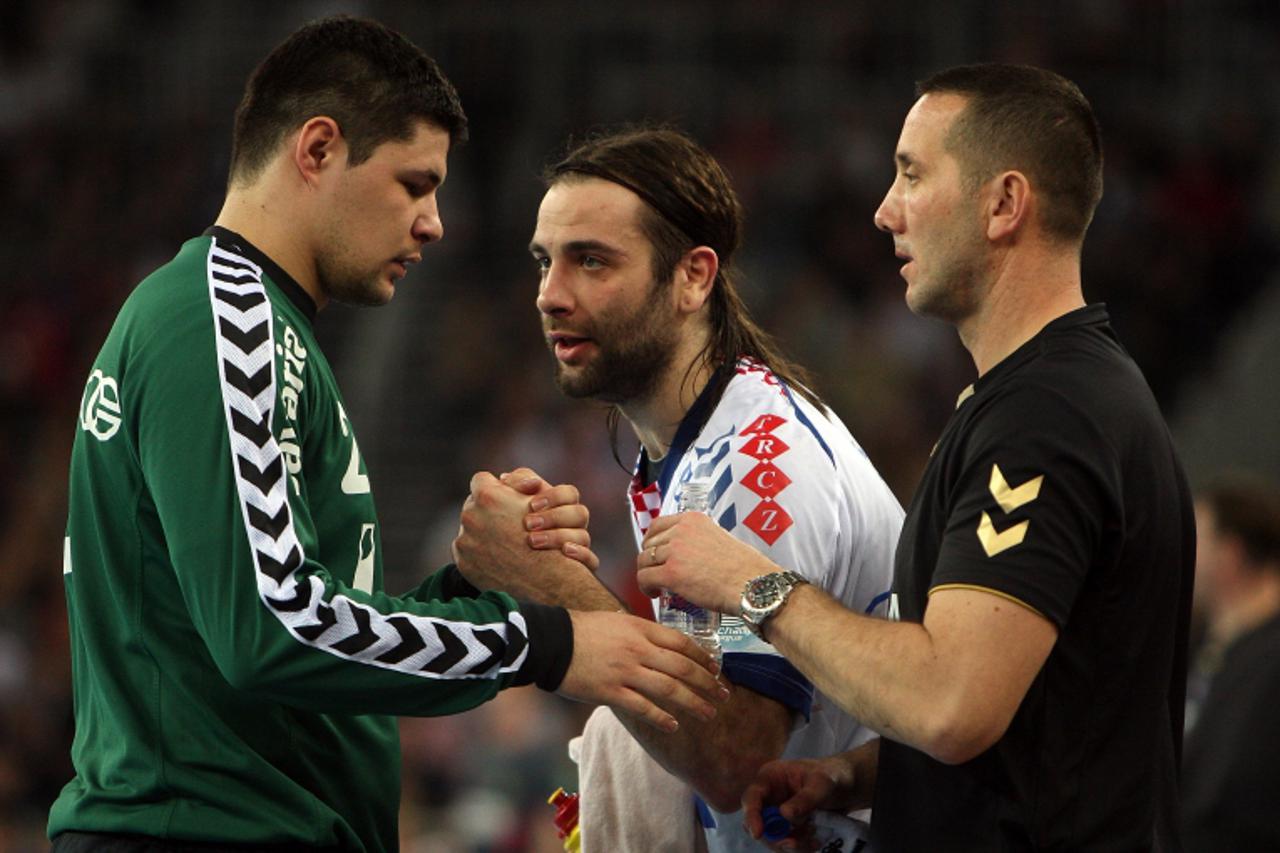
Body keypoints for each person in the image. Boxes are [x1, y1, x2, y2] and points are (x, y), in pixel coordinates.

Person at [49, 17, 725, 853]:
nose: (434, 222)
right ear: (319, 149)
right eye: (414, 183)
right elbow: (274, 625)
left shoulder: (248, 327)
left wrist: (479, 587)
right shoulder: (225, 325)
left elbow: (305, 621)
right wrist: (542, 643)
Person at [636, 64, 1196, 850]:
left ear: (1003, 204)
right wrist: (857, 774)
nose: (884, 210)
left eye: (911, 174)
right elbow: (1038, 720)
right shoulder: (1045, 399)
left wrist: (748, 582)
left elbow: (952, 702)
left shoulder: (1049, 416)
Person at [451, 127, 903, 851]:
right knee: (614, 743)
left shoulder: (761, 463)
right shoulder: (688, 452)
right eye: (544, 262)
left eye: (591, 261)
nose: (550, 296)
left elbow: (740, 761)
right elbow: (709, 692)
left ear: (694, 276)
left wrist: (560, 588)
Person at [1181, 477, 1280, 852]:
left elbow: (1240, 791)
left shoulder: (1269, 659)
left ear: (1230, 552)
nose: (1185, 554)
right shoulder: (1206, 644)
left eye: (1198, 540)